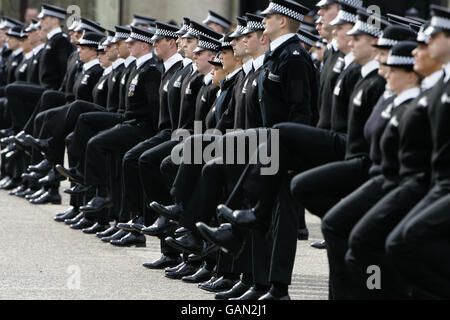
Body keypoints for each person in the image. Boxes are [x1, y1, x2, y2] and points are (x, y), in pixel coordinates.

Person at [385, 5, 450, 299]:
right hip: (433, 182)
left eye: (430, 39)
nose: (418, 50)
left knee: (407, 241)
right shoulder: (439, 83)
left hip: (440, 184)